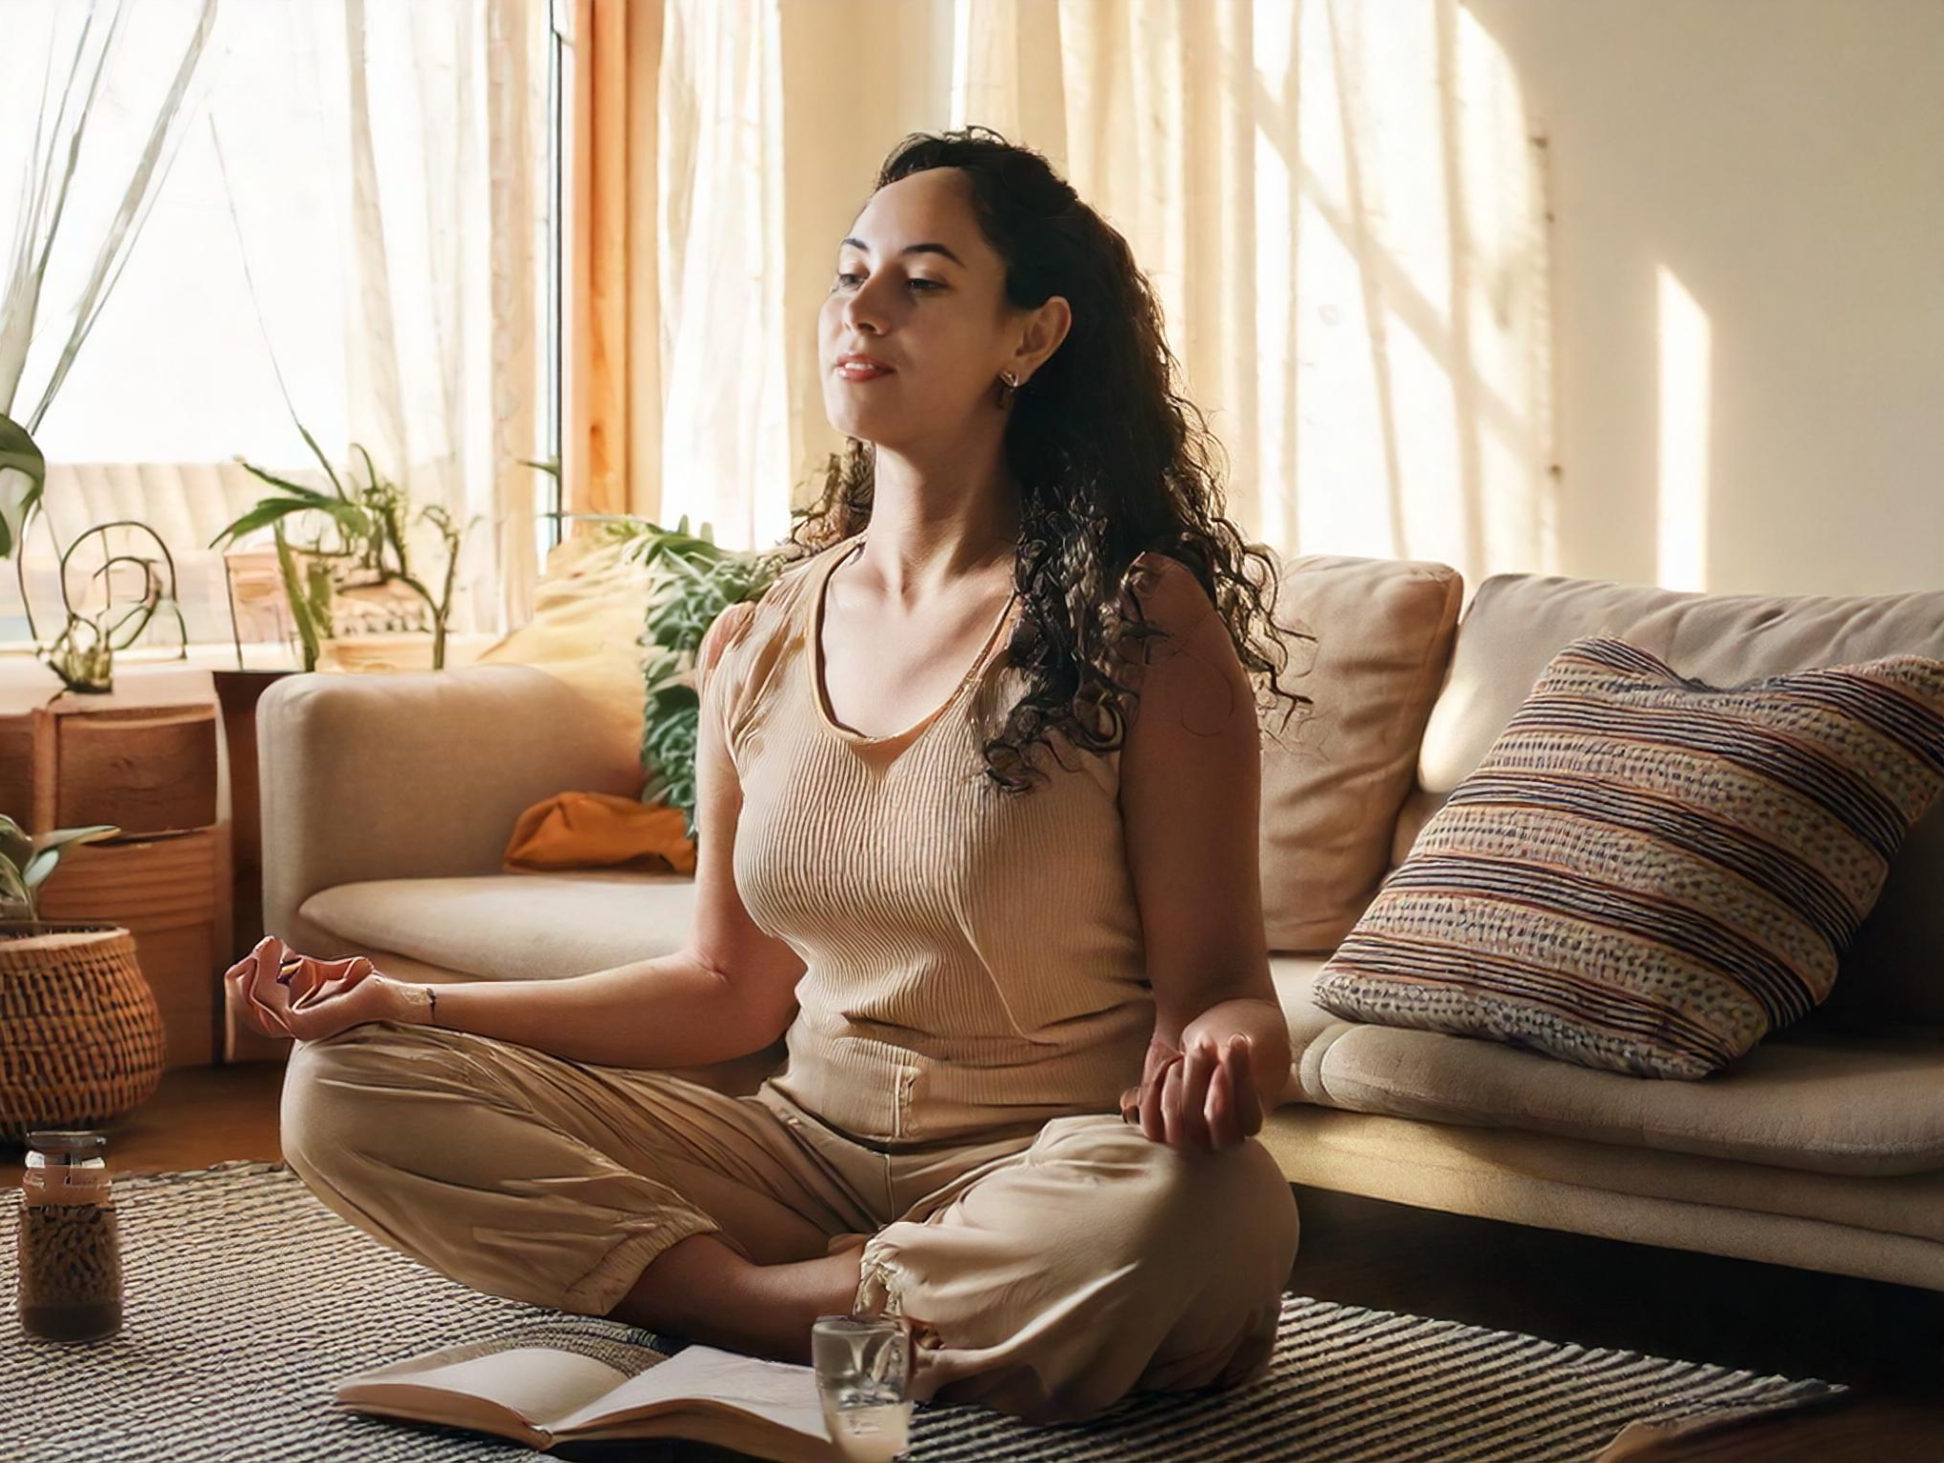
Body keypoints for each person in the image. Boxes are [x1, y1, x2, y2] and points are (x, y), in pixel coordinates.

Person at [231, 126, 1311, 1425]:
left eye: (922, 281)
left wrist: (1223, 1063)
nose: (860, 307)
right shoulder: (760, 637)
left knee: (1212, 1208)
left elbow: (1225, 1000)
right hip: (796, 1163)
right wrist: (406, 1006)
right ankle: (820, 1308)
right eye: (850, 273)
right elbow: (722, 993)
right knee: (343, 1086)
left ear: (1030, 338)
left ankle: (732, 1304)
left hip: (1050, 1172)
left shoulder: (1138, 620)